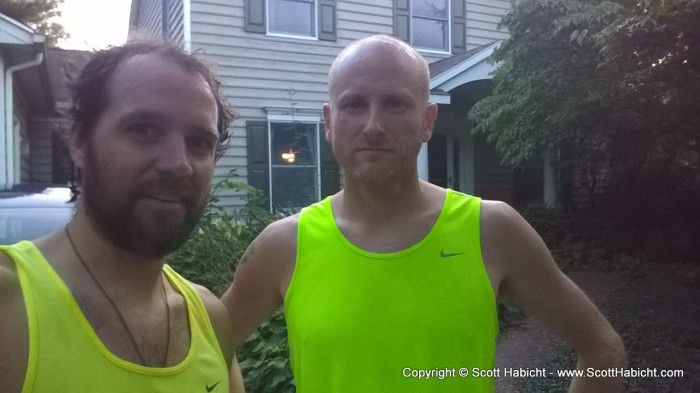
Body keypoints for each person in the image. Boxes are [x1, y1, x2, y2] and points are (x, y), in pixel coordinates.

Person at [222, 35, 626, 392]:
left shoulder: (491, 231)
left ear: (427, 120)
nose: (373, 125)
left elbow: (602, 348)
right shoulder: (283, 246)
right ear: (329, 122)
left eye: (396, 104)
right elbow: (209, 351)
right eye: (354, 104)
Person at [0, 41, 245, 393]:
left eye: (199, 142)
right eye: (144, 130)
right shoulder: (9, 303)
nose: (178, 164)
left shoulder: (209, 319)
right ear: (80, 141)